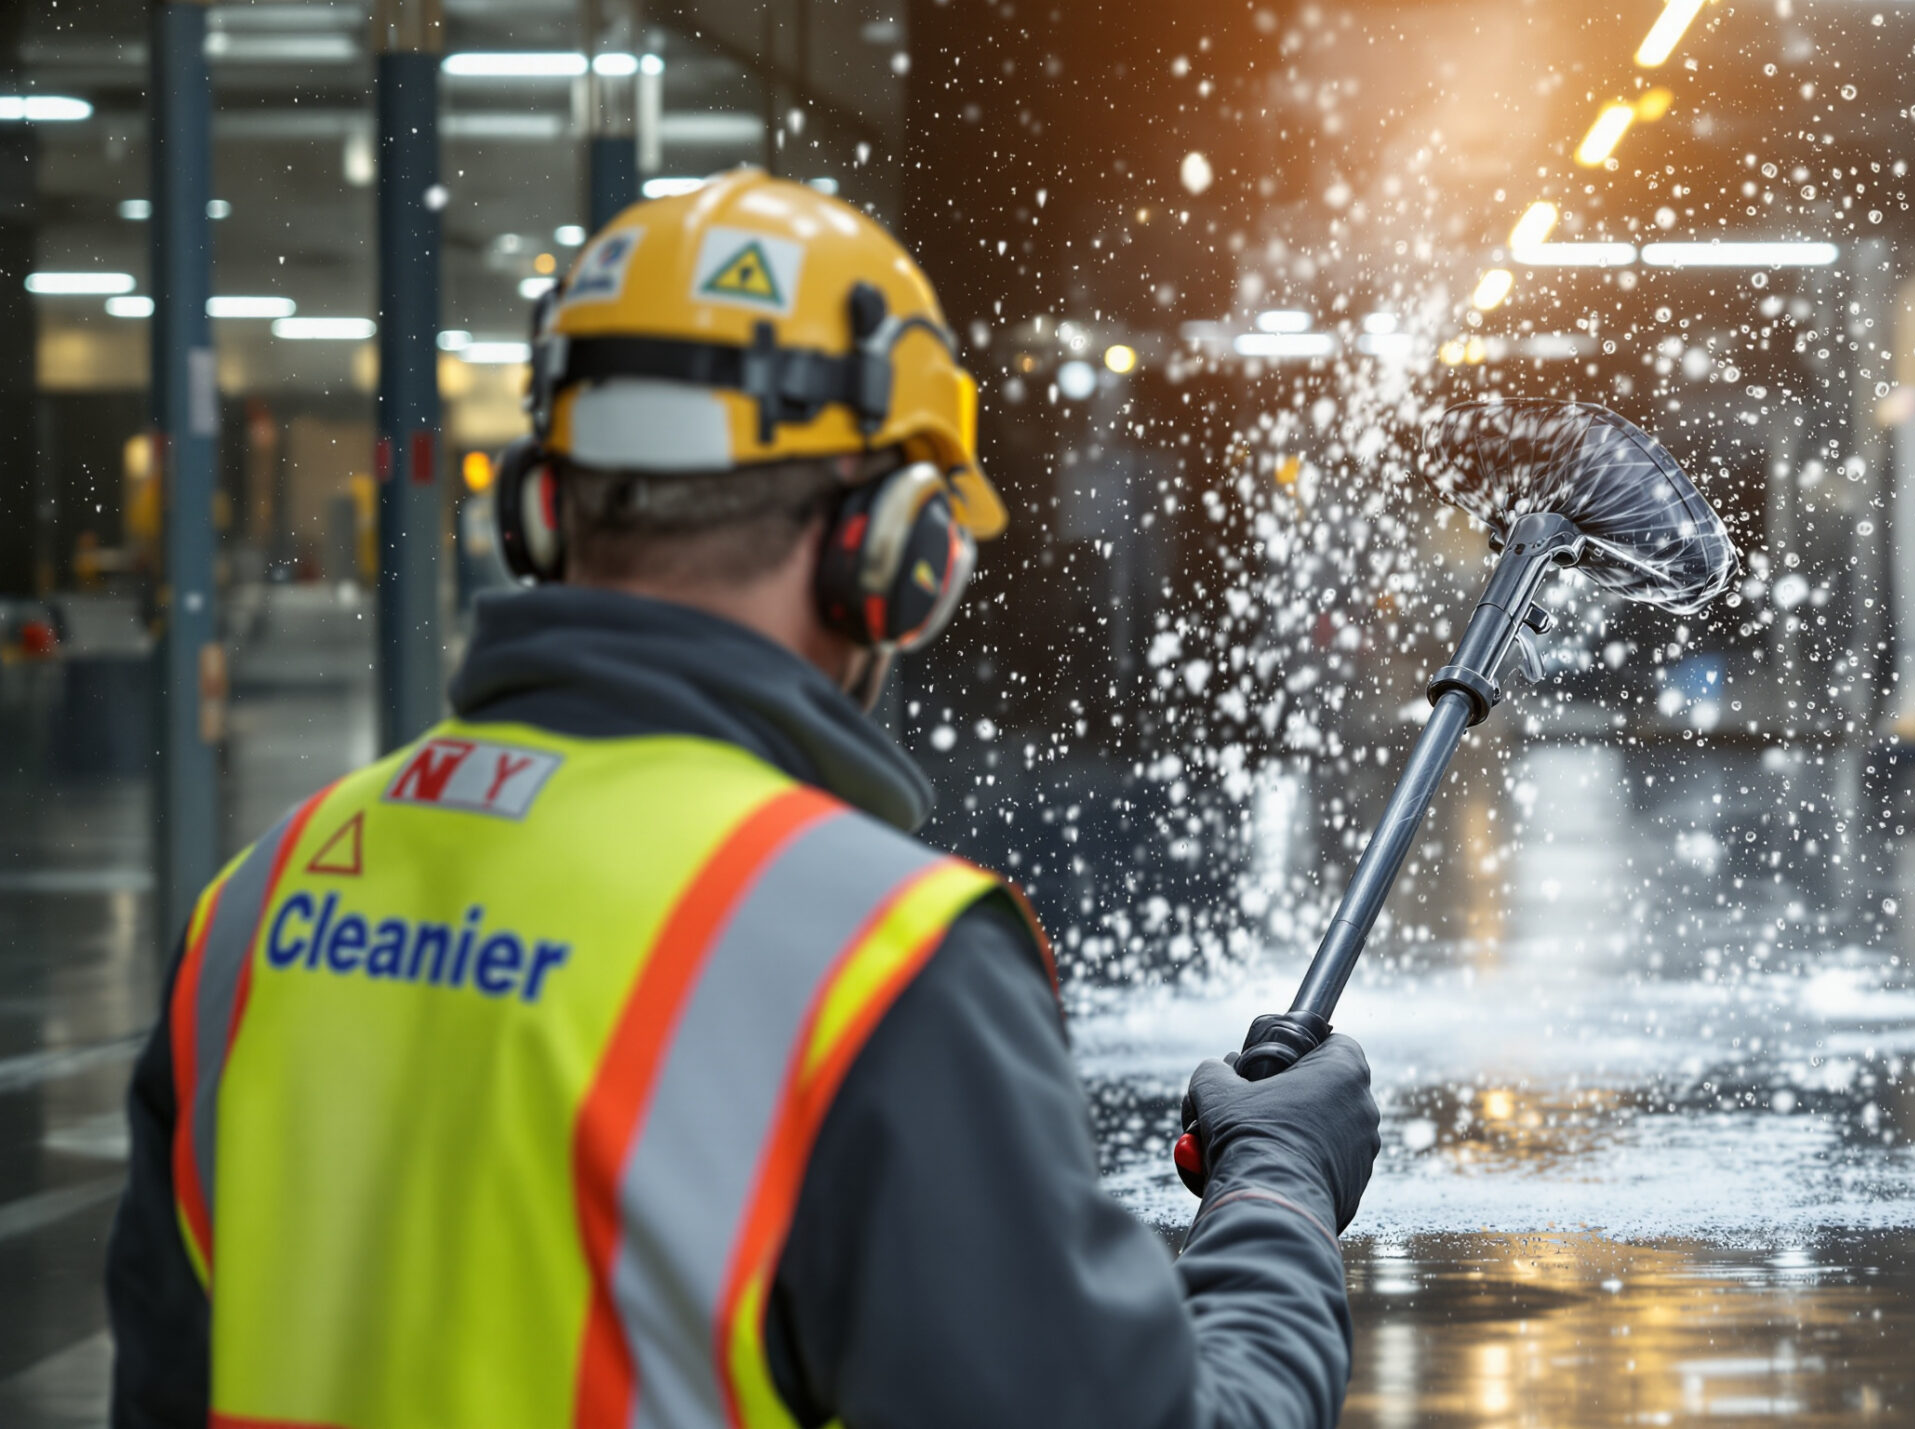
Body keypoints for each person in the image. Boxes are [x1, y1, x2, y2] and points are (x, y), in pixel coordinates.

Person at [105, 169, 1382, 1429]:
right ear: (892, 552)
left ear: (540, 508)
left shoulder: (260, 908)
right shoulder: (872, 961)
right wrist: (1275, 1188)